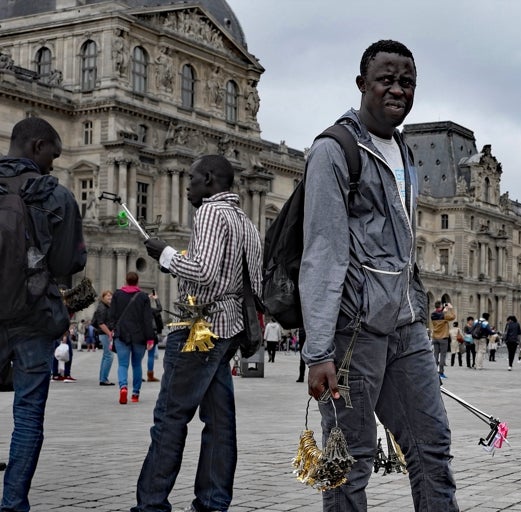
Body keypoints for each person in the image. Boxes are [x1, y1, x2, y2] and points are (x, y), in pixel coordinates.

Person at [296, 40, 457, 511]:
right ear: (361, 84)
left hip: (406, 326)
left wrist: (420, 307)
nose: (397, 89)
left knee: (432, 447)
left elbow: (402, 248)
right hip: (353, 332)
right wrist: (319, 350)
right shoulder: (334, 150)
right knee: (349, 460)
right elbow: (322, 252)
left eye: (407, 82)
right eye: (386, 79)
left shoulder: (405, 151)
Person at [136, 154, 262, 511]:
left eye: (192, 178)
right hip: (230, 329)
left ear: (209, 179)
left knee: (170, 418)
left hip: (199, 327)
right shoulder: (245, 222)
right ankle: (212, 502)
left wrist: (166, 255)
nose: (188, 185)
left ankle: (151, 504)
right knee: (220, 423)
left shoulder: (209, 213)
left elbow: (203, 272)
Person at [0, 117, 86, 512]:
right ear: (37, 146)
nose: (54, 163)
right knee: (28, 415)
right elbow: (69, 262)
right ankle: (13, 503)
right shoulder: (58, 196)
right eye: (53, 154)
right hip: (34, 318)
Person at [109, 271, 156, 405]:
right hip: (139, 336)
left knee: (123, 364)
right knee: (137, 365)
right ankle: (135, 394)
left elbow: (111, 315)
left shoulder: (117, 294)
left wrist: (113, 329)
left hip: (122, 334)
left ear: (126, 280)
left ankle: (123, 387)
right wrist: (150, 338)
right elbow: (147, 319)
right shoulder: (143, 297)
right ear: (137, 281)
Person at [93, 290, 116, 386]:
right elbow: (101, 323)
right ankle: (104, 379)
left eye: (111, 296)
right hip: (105, 333)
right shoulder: (102, 308)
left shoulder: (106, 307)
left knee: (106, 355)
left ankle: (102, 378)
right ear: (103, 297)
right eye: (107, 296)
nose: (110, 297)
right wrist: (109, 333)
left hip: (105, 333)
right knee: (109, 356)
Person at [429, 302, 455, 377]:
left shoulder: (433, 314)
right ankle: (441, 372)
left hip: (435, 337)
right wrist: (450, 308)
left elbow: (437, 312)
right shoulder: (444, 315)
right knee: (443, 355)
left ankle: (433, 372)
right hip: (443, 338)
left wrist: (443, 309)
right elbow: (453, 317)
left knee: (435, 355)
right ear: (440, 307)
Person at [146, 292, 163, 382]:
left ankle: (138, 375)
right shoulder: (151, 310)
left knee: (138, 357)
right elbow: (160, 308)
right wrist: (156, 299)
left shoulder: (138, 310)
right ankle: (150, 376)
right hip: (151, 333)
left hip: (139, 334)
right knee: (151, 356)